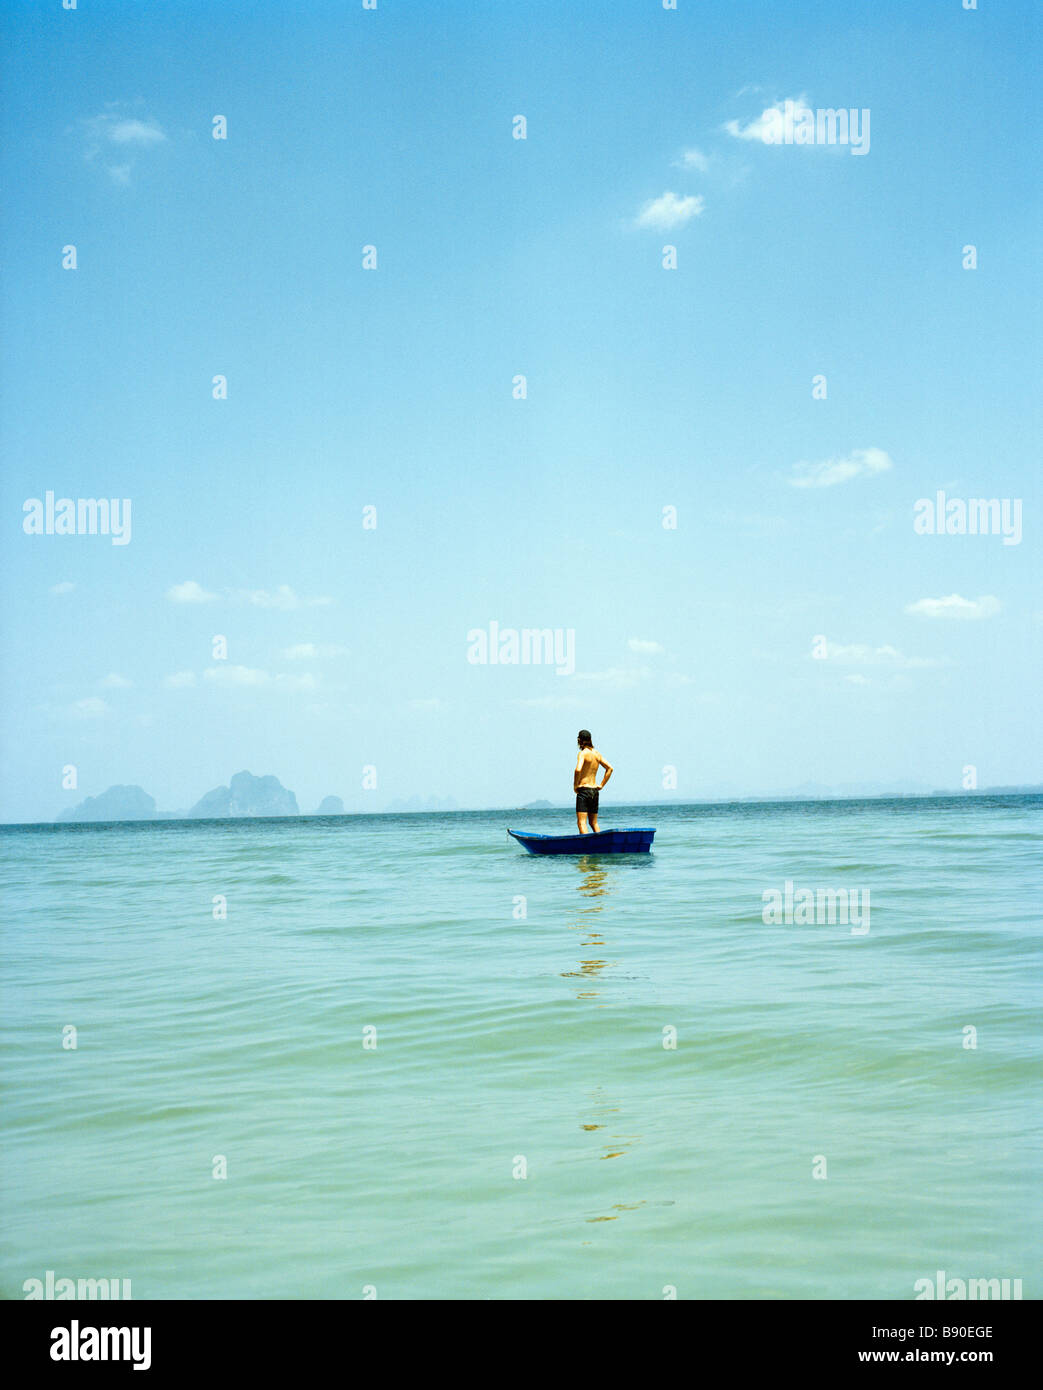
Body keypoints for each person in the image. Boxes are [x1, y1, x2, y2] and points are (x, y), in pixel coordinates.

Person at [573, 729, 612, 833]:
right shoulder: (596, 754)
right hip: (594, 790)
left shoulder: (583, 753)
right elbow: (610, 768)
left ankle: (585, 846)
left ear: (579, 740)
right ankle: (600, 843)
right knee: (594, 823)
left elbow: (578, 769)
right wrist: (601, 785)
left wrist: (575, 785)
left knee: (581, 822)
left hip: (584, 790)